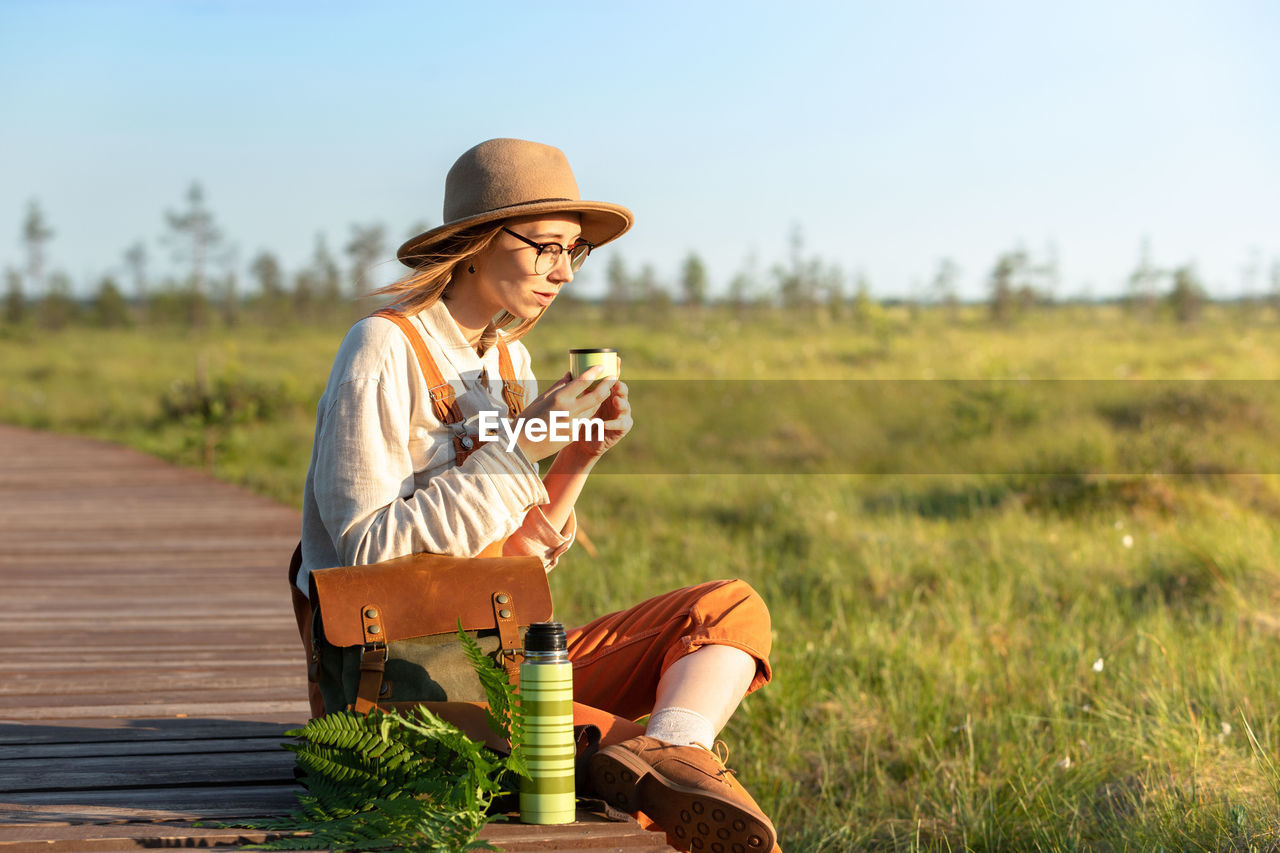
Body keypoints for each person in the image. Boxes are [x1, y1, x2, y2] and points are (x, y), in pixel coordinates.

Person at [296, 138, 778, 853]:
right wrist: (522, 445)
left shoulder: (505, 358)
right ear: (477, 241)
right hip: (410, 679)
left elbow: (517, 559)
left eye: (575, 252)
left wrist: (576, 456)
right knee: (653, 778)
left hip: (505, 645)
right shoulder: (381, 348)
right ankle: (667, 765)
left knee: (729, 609)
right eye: (547, 247)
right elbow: (363, 553)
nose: (563, 271)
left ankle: (676, 751)